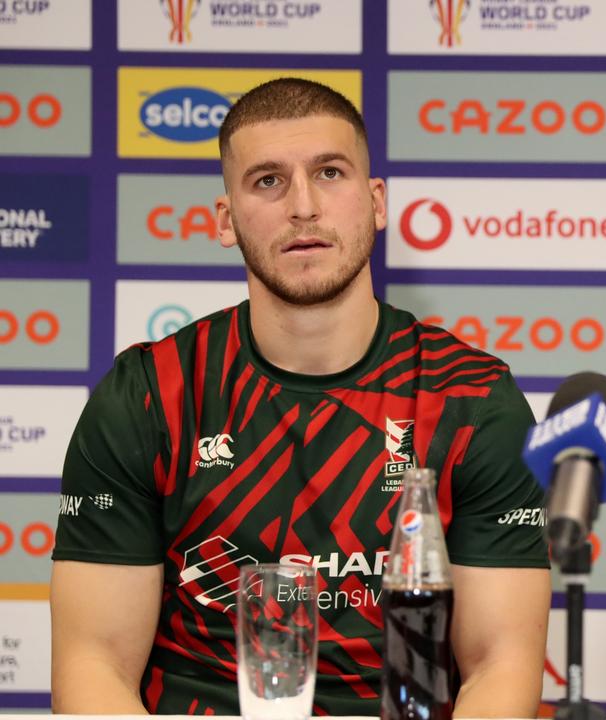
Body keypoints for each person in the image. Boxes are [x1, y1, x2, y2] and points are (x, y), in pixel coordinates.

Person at [50, 78, 550, 717]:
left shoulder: (472, 400)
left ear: (376, 202)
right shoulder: (149, 394)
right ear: (225, 220)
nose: (304, 206)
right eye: (268, 181)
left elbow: (501, 666)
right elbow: (93, 665)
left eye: (330, 173)